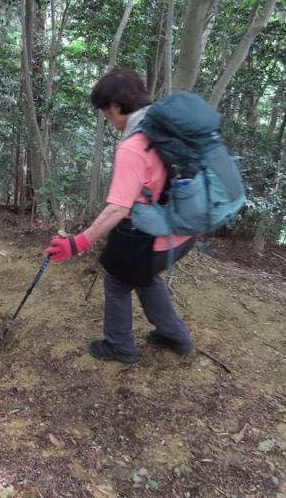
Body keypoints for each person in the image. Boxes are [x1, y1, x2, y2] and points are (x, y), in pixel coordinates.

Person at [45, 67, 196, 363]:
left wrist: (78, 243)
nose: (105, 117)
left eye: (104, 109)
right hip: (181, 227)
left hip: (151, 233)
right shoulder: (162, 126)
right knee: (142, 275)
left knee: (117, 281)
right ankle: (175, 335)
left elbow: (118, 207)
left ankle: (120, 345)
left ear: (115, 106)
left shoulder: (133, 145)